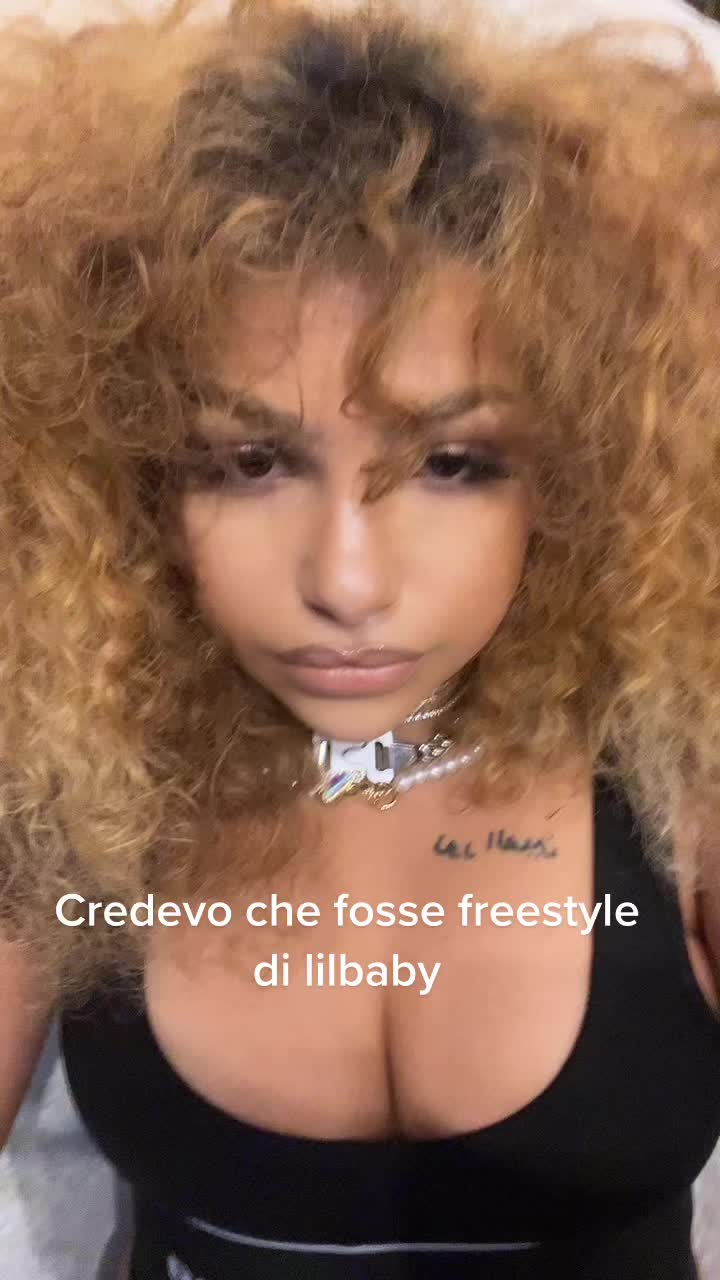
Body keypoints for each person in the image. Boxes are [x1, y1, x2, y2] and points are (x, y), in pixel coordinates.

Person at [1, 0, 720, 1276]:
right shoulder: (68, 764)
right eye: (250, 460)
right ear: (123, 463)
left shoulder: (685, 763)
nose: (347, 581)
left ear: (581, 464)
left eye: (453, 462)